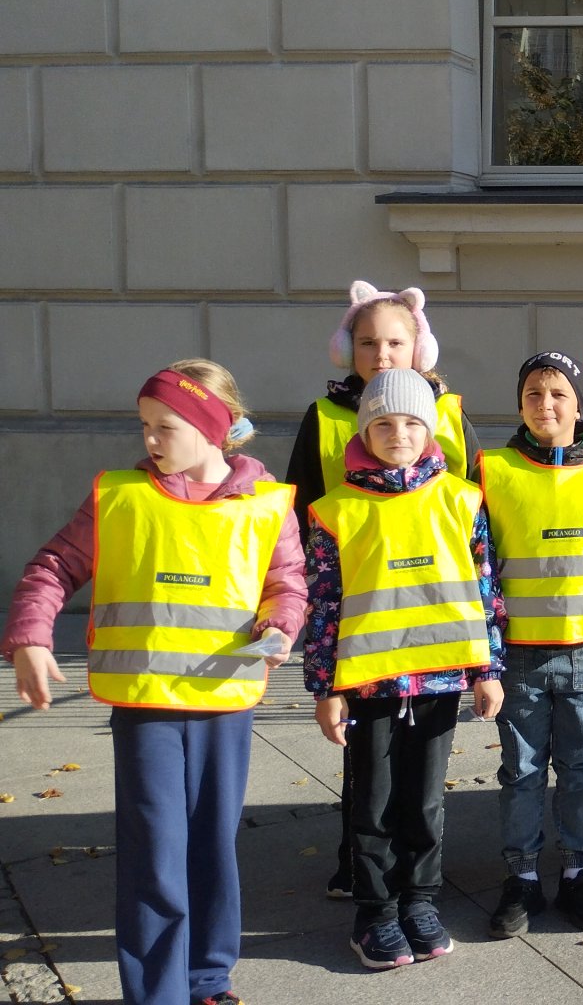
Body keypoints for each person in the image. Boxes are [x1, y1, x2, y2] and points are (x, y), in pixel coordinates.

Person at [6, 361, 306, 1005]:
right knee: (155, 851)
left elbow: (287, 583)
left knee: (213, 845)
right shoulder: (120, 497)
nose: (149, 439)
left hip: (225, 702)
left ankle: (208, 979)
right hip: (146, 704)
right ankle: (157, 994)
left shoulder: (266, 504)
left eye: (164, 426)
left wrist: (280, 625)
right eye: (144, 425)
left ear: (214, 427)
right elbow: (54, 565)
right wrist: (30, 635)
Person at [284, 279, 481, 900]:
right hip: (360, 605)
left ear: (418, 347)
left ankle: (414, 876)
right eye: (368, 343)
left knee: (420, 766)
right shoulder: (324, 416)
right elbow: (298, 510)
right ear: (348, 349)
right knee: (367, 758)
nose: (382, 354)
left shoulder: (449, 412)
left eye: (395, 342)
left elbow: (474, 512)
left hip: (431, 614)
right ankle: (359, 862)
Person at [304, 368, 505, 969]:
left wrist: (488, 669)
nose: (399, 434)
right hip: (369, 685)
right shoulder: (336, 510)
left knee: (424, 802)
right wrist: (325, 688)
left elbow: (485, 589)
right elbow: (324, 604)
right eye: (384, 423)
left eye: (413, 422)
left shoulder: (462, 500)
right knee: (372, 804)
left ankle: (419, 902)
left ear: (431, 430)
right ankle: (375, 911)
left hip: (440, 679)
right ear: (364, 431)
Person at [483, 352, 583, 937]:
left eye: (558, 394)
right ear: (519, 404)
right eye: (533, 394)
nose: (545, 405)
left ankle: (578, 871)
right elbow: (479, 567)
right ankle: (522, 877)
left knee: (582, 769)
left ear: (580, 405)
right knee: (521, 771)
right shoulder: (493, 470)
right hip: (519, 652)